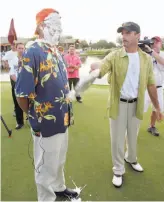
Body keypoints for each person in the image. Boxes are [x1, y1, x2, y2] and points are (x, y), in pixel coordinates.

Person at [89, 22, 163, 187]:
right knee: (117, 139)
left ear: (137, 35)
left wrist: (157, 107)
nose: (123, 36)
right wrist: (96, 68)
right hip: (119, 104)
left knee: (132, 135)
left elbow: (151, 84)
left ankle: (131, 159)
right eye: (122, 33)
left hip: (136, 104)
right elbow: (102, 67)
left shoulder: (145, 59)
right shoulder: (114, 55)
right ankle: (118, 169)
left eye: (128, 33)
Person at [15, 8, 78, 201]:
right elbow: (21, 94)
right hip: (45, 122)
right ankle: (46, 198)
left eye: (61, 25)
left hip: (63, 118)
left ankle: (59, 188)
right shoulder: (33, 51)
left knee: (59, 160)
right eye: (55, 25)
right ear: (42, 26)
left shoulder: (57, 52)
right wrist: (34, 116)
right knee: (45, 167)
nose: (59, 29)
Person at [144, 36, 164, 136]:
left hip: (159, 88)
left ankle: (152, 126)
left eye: (157, 42)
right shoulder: (145, 54)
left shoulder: (162, 55)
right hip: (145, 88)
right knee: (139, 109)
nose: (155, 44)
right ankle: (131, 127)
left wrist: (152, 52)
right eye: (153, 43)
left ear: (161, 44)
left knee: (156, 109)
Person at [10, 43, 25, 129]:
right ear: (16, 49)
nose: (21, 50)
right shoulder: (13, 60)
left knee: (30, 103)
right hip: (17, 85)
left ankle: (32, 121)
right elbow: (12, 74)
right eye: (19, 48)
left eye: (22, 48)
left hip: (27, 85)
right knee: (17, 104)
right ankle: (20, 123)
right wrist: (19, 83)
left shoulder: (28, 59)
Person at [2, 43, 17, 116]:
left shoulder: (20, 52)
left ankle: (25, 110)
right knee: (14, 91)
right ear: (11, 46)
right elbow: (4, 60)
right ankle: (15, 109)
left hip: (21, 75)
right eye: (12, 45)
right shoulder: (9, 53)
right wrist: (7, 66)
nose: (13, 46)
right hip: (13, 74)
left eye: (14, 45)